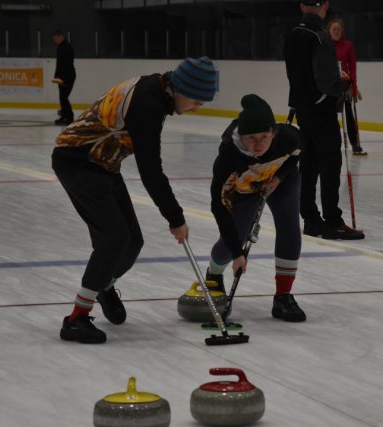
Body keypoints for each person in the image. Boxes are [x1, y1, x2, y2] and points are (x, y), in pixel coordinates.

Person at [52, 57, 219, 343]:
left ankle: (105, 285)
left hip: (103, 163)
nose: (197, 107)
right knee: (114, 239)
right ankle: (76, 319)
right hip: (77, 161)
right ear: (181, 88)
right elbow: (151, 171)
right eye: (196, 100)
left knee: (133, 241)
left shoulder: (158, 91)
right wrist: (175, 218)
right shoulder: (148, 104)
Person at [200, 94, 306, 322]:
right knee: (234, 238)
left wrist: (279, 177)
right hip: (245, 188)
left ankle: (283, 294)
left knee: (289, 226)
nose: (258, 145)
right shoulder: (228, 156)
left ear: (274, 133)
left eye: (264, 137)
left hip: (279, 181)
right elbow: (219, 206)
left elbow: (296, 153)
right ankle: (214, 274)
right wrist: (238, 253)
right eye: (251, 138)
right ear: (241, 135)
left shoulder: (289, 137)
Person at [284, 0, 365, 240]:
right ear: (325, 6)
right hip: (321, 110)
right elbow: (327, 83)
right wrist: (345, 82)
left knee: (308, 164)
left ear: (301, 6)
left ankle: (310, 219)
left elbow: (296, 74)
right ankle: (332, 221)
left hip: (303, 109)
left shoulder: (293, 34)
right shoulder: (320, 37)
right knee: (330, 163)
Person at [327, 18, 366, 155]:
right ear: (329, 31)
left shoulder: (348, 45)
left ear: (342, 31)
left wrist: (354, 86)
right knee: (330, 115)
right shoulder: (326, 45)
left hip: (346, 84)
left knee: (349, 114)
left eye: (339, 29)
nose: (336, 31)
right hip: (331, 85)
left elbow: (352, 66)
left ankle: (355, 144)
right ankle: (330, 143)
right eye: (334, 29)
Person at [52, 30, 76, 125]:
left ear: (60, 37)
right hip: (62, 77)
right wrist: (57, 77)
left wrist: (63, 78)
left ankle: (69, 117)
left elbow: (66, 64)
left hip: (67, 76)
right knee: (62, 97)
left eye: (56, 39)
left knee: (64, 97)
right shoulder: (61, 47)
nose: (55, 41)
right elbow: (59, 64)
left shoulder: (67, 47)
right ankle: (64, 116)